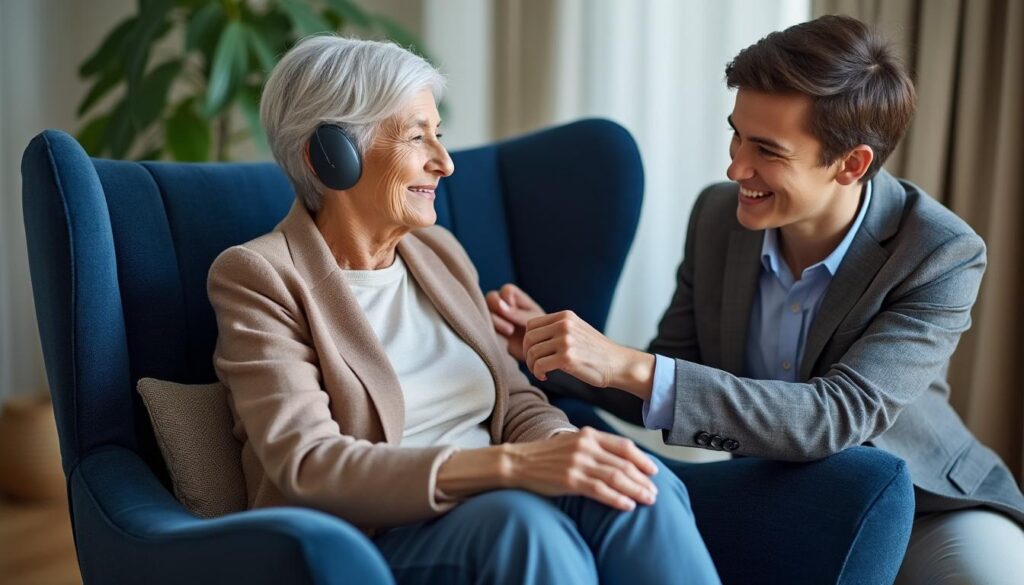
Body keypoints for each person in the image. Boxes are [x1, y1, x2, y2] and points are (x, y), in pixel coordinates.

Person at [487, 15, 1024, 584]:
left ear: (852, 164)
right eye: (736, 133)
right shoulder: (718, 217)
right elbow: (672, 375)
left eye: (766, 150)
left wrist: (627, 364)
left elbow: (834, 416)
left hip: (928, 507)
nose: (735, 166)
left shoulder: (940, 251)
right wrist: (552, 356)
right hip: (778, 500)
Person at [207, 35, 720, 584]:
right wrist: (512, 467)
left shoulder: (438, 254)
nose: (445, 163)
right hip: (367, 541)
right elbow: (310, 465)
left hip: (499, 500)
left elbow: (517, 401)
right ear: (331, 157)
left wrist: (561, 446)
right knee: (520, 525)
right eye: (416, 137)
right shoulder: (259, 277)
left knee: (640, 483)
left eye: (440, 135)